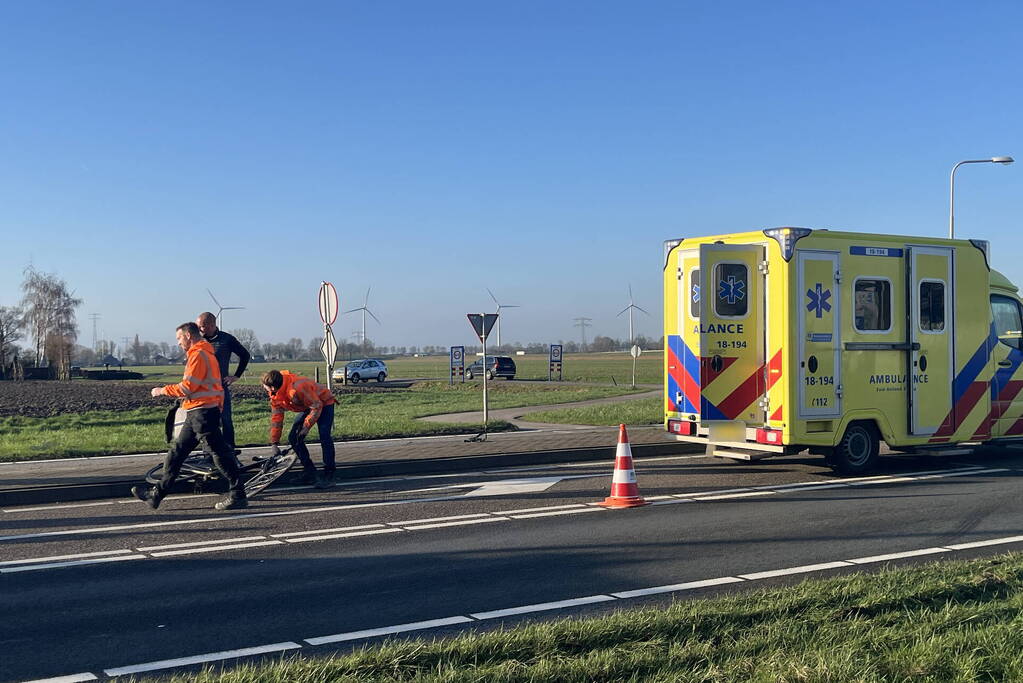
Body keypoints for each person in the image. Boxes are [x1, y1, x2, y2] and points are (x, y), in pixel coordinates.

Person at [132, 322, 247, 511]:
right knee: (177, 453)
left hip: (202, 412)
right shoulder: (207, 354)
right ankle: (156, 495)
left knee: (219, 454)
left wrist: (161, 390)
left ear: (188, 336)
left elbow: (187, 387)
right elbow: (213, 386)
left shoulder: (198, 355)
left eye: (179, 338)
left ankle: (238, 495)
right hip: (199, 411)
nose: (178, 343)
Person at [261, 369, 336, 489]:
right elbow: (277, 419)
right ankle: (310, 472)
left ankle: (329, 475)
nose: (264, 389)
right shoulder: (275, 396)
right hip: (309, 405)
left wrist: (306, 427)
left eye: (265, 387)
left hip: (324, 403)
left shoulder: (297, 388)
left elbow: (317, 406)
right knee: (294, 437)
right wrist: (274, 443)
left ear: (273, 387)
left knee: (324, 436)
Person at [196, 312, 251, 453]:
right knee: (206, 422)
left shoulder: (226, 339)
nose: (199, 329)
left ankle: (230, 451)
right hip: (202, 389)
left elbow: (245, 355)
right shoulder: (197, 340)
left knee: (225, 420)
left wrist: (236, 376)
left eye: (201, 326)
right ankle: (208, 453)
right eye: (198, 326)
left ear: (212, 325)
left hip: (220, 387)